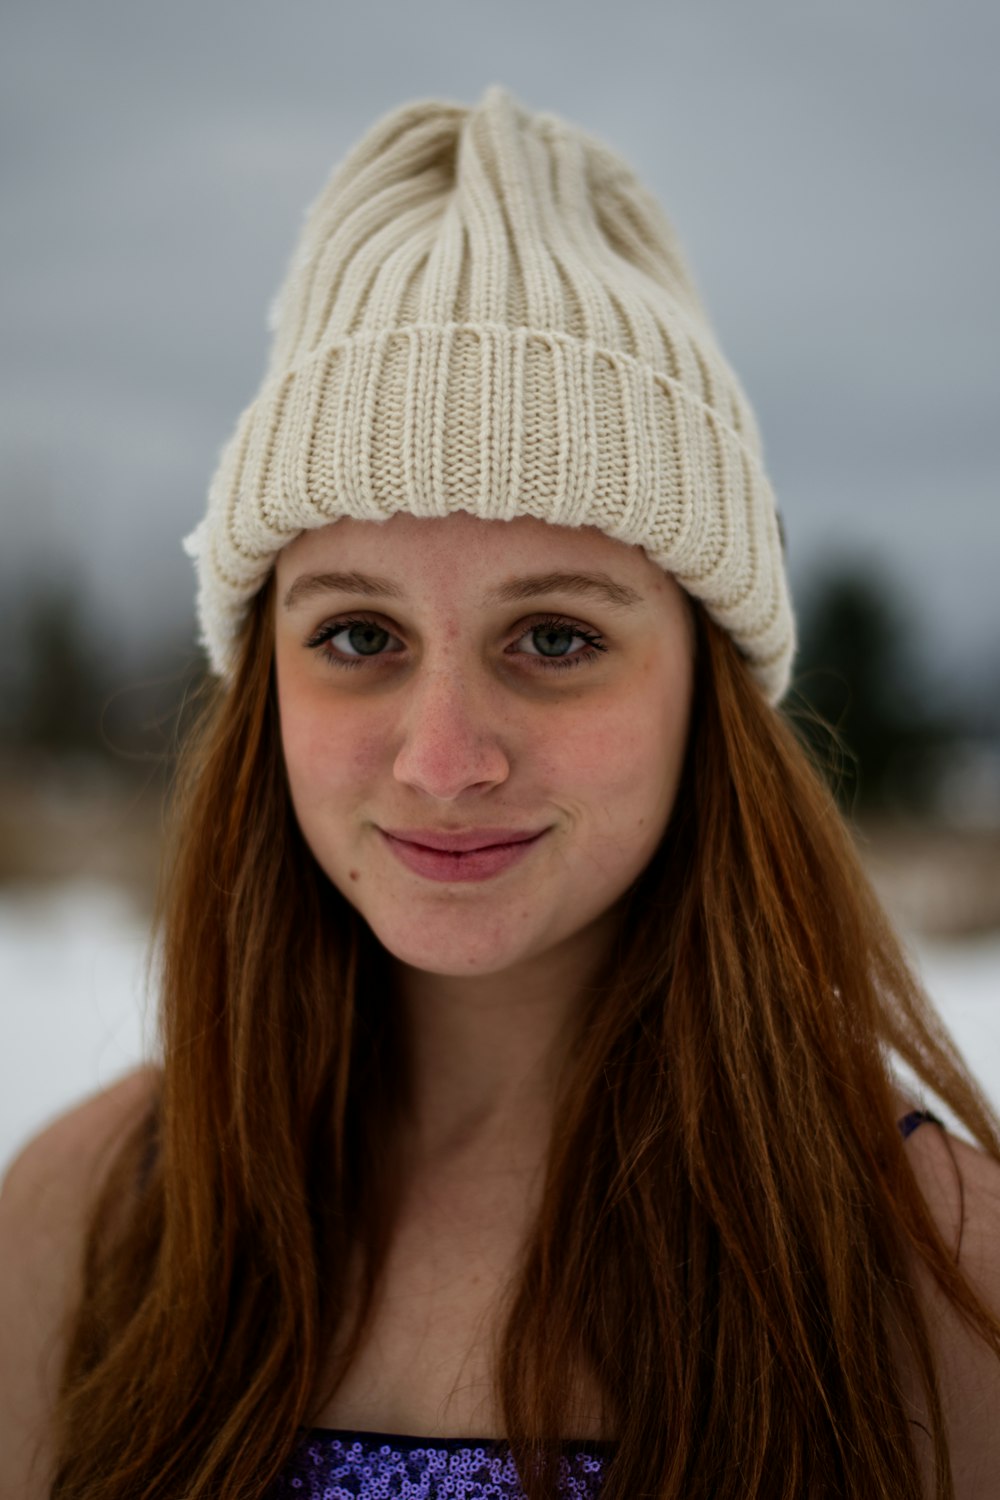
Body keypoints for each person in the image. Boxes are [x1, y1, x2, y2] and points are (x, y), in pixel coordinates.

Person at [1, 83, 998, 1500]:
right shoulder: (92, 1223)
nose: (444, 758)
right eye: (358, 637)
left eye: (556, 639)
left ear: (704, 686)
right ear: (263, 678)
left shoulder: (933, 1283)